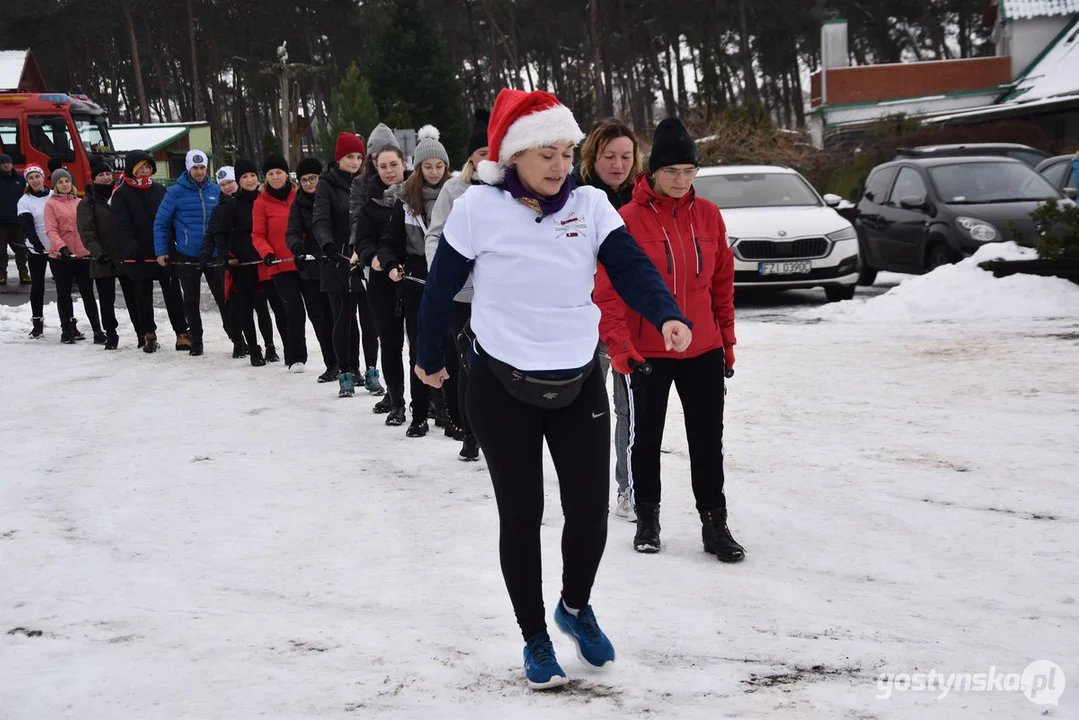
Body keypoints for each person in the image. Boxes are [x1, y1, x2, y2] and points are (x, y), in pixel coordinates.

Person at [414, 89, 691, 689]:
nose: (559, 164)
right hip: (500, 383)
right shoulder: (477, 210)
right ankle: (535, 636)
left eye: (566, 151)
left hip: (577, 379)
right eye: (545, 152)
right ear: (512, 155)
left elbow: (631, 267)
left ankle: (573, 606)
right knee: (523, 515)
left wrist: (665, 311)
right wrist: (427, 356)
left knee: (589, 513)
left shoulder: (591, 206)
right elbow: (439, 290)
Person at [593, 117, 744, 563]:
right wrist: (620, 346)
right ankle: (647, 518)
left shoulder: (710, 216)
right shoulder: (627, 219)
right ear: (653, 172)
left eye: (689, 172)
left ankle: (715, 523)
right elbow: (609, 289)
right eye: (673, 172)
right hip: (647, 350)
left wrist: (727, 341)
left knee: (706, 438)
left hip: (703, 347)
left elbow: (722, 284)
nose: (681, 181)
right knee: (646, 439)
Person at [573, 118, 644, 520]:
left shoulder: (642, 199)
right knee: (586, 409)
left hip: (629, 321)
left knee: (628, 409)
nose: (618, 165)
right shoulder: (576, 198)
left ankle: (627, 488)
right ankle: (585, 485)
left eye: (626, 156)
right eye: (609, 156)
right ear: (592, 157)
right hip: (585, 319)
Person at [372, 126, 451, 436]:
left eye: (439, 166)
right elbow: (388, 241)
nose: (433, 172)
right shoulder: (405, 199)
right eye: (427, 166)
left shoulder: (458, 195)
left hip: (450, 280)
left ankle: (446, 408)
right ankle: (419, 413)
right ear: (418, 168)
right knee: (420, 347)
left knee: (450, 349)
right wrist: (391, 263)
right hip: (416, 283)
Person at [424, 108, 489, 460]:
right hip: (462, 295)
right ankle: (470, 432)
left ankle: (497, 430)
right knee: (469, 364)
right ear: (471, 157)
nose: (489, 159)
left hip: (499, 296)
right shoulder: (454, 189)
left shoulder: (512, 188)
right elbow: (434, 237)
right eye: (482, 154)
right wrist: (444, 276)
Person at [314, 132, 381, 397]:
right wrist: (327, 244)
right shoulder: (326, 184)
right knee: (343, 320)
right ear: (338, 158)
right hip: (337, 261)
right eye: (349, 157)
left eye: (359, 157)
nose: (355, 162)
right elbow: (320, 219)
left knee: (370, 321)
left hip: (366, 260)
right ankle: (345, 372)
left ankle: (372, 371)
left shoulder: (368, 183)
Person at [353, 143, 408, 424]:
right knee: (390, 343)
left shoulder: (416, 195)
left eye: (393, 165)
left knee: (423, 344)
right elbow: (361, 239)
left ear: (404, 164)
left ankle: (432, 400)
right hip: (382, 282)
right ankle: (397, 400)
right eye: (383, 166)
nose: (388, 171)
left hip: (411, 279)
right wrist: (371, 256)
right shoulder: (370, 202)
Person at [112, 150, 187, 353]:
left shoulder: (160, 190)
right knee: (142, 296)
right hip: (138, 253)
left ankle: (182, 333)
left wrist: (174, 244)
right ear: (131, 169)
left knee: (173, 293)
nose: (144, 170)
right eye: (140, 167)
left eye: (147, 166)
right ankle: (149, 335)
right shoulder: (121, 194)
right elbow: (121, 225)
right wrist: (131, 247)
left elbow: (171, 219)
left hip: (164, 250)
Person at [153, 148, 222, 356]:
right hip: (187, 253)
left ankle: (237, 338)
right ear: (188, 169)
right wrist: (162, 251)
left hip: (214, 253)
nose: (199, 172)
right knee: (191, 299)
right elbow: (161, 223)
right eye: (195, 168)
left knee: (223, 298)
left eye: (202, 167)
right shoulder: (174, 192)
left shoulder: (216, 191)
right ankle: (197, 341)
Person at [77, 157, 140, 350]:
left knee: (134, 298)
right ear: (93, 178)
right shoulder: (87, 203)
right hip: (103, 259)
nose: (105, 178)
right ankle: (111, 335)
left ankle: (142, 333)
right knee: (106, 301)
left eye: (107, 173)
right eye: (100, 175)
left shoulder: (120, 195)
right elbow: (86, 232)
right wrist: (98, 253)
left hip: (126, 257)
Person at [252, 153, 307, 373]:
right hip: (279, 265)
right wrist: (266, 253)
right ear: (265, 177)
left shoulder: (299, 195)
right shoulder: (261, 202)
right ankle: (295, 357)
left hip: (304, 261)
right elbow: (257, 234)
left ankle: (333, 358)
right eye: (271, 174)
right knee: (293, 311)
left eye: (279, 172)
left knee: (317, 311)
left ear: (287, 174)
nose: (275, 177)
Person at [286, 157, 337, 381]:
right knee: (319, 318)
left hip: (333, 263)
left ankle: (349, 364)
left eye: (312, 178)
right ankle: (331, 363)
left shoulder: (331, 197)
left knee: (338, 318)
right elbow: (292, 231)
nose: (308, 184)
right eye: (304, 180)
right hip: (311, 267)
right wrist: (297, 248)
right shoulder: (298, 203)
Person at [215, 159, 268, 366]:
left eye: (253, 175)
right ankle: (254, 349)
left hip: (265, 261)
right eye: (244, 176)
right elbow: (220, 235)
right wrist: (227, 257)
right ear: (238, 180)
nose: (250, 180)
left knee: (264, 306)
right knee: (247, 307)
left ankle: (271, 346)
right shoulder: (232, 206)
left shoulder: (264, 201)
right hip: (242, 264)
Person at [44, 167, 103, 344]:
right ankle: (67, 329)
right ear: (55, 185)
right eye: (60, 182)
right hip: (61, 256)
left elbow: (89, 227)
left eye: (67, 181)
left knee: (88, 293)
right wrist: (62, 247)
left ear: (72, 184)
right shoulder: (50, 204)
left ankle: (97, 330)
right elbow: (51, 230)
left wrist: (92, 247)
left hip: (82, 255)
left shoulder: (80, 202)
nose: (64, 184)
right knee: (64, 294)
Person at [15, 165, 52, 337]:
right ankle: (37, 323)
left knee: (64, 286)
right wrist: (37, 244)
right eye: (31, 178)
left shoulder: (54, 195)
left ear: (43, 177)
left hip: (58, 248)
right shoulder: (25, 200)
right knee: (37, 286)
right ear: (27, 181)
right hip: (37, 249)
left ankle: (69, 323)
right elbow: (27, 226)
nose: (35, 180)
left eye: (37, 176)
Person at [0, 152, 31, 285]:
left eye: (8, 162)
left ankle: (24, 274)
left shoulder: (20, 180)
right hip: (1, 222)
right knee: (0, 250)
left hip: (17, 221)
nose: (6, 165)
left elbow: (27, 197)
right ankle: (2, 275)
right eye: (3, 163)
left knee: (21, 249)